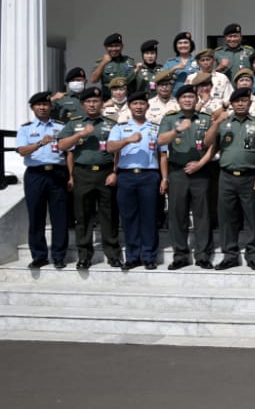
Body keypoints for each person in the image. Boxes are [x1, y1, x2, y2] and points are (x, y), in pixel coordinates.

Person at [57, 86, 123, 269]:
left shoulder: (111, 124)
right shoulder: (73, 123)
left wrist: (115, 172)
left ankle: (113, 254)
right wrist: (80, 134)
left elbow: (118, 150)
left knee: (109, 215)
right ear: (82, 104)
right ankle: (84, 255)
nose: (92, 105)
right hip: (82, 173)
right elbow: (62, 145)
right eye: (88, 102)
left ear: (102, 103)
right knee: (83, 216)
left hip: (105, 172)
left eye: (96, 101)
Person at [205, 87, 255, 271]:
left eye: (244, 101)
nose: (240, 104)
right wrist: (216, 123)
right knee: (227, 217)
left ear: (249, 103)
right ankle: (230, 255)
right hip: (227, 176)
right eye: (237, 101)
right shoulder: (224, 122)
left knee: (253, 217)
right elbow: (208, 143)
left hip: (250, 176)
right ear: (231, 104)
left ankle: (253, 254)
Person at [157, 84, 216, 269]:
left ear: (197, 99)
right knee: (177, 215)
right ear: (178, 100)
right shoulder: (170, 119)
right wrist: (177, 130)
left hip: (202, 171)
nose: (188, 100)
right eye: (184, 97)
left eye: (191, 97)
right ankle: (180, 255)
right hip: (177, 172)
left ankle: (203, 255)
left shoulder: (206, 118)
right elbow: (160, 141)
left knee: (203, 216)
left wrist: (200, 164)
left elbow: (214, 145)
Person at [107, 91, 162, 270]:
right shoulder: (120, 128)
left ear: (147, 106)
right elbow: (110, 148)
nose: (138, 106)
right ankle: (132, 256)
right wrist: (128, 140)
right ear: (129, 107)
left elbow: (162, 154)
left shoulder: (155, 127)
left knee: (149, 217)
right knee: (129, 218)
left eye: (141, 103)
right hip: (126, 176)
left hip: (149, 175)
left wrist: (164, 178)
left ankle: (148, 256)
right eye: (135, 103)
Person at [17, 92, 69, 269]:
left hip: (57, 174)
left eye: (45, 105)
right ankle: (39, 256)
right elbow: (22, 151)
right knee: (36, 216)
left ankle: (59, 255)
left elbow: (69, 151)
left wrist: (71, 175)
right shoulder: (25, 128)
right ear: (33, 108)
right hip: (35, 175)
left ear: (50, 107)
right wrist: (40, 143)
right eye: (38, 105)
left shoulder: (61, 127)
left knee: (59, 217)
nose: (42, 107)